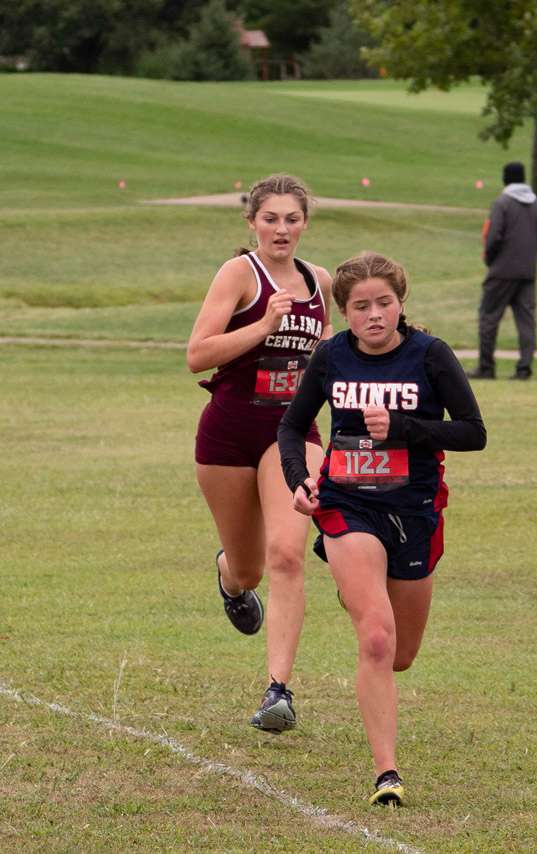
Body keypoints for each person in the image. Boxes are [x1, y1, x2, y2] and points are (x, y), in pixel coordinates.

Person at [277, 252, 486, 805]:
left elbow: (472, 433)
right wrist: (299, 479)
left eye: (384, 303)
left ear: (401, 303)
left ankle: (364, 596)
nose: (375, 315)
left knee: (399, 654)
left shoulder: (431, 355)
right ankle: (386, 774)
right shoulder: (331, 357)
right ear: (344, 312)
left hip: (415, 509)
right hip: (349, 506)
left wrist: (405, 428)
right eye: (361, 306)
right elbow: (293, 425)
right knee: (375, 637)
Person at [187, 174, 333, 733]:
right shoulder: (238, 274)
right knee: (249, 567)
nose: (282, 229)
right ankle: (228, 577)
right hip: (227, 434)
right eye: (270, 218)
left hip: (292, 433)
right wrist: (266, 324)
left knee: (288, 553)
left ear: (305, 224)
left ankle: (279, 691)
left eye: (292, 219)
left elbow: (331, 359)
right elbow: (197, 354)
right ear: (253, 222)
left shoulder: (319, 282)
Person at [467, 161, 537, 380]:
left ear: (505, 178)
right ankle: (524, 368)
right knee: (526, 320)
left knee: (488, 317)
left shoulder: (502, 203)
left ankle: (486, 367)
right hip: (528, 272)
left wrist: (492, 259)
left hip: (502, 271)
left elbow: (493, 237)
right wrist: (531, 257)